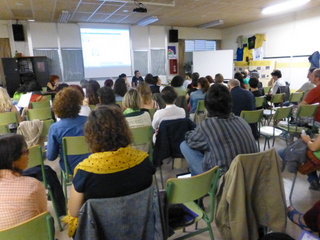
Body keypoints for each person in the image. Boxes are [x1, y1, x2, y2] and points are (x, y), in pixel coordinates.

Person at [63, 105, 156, 236]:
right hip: (140, 232)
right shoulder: (144, 161)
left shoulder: (85, 171)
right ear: (124, 130)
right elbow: (151, 199)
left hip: (100, 234)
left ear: (91, 135)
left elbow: (73, 213)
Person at [180, 83, 258, 176]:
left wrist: (190, 132)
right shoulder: (241, 121)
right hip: (250, 175)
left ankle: (201, 182)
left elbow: (191, 141)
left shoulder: (207, 126)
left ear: (207, 105)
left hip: (225, 181)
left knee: (184, 145)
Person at [0, 133, 47, 230]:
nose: (28, 154)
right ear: (12, 160)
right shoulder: (33, 185)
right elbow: (44, 217)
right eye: (25, 151)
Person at [47, 87, 90, 173]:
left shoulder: (55, 128)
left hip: (70, 168)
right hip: (91, 165)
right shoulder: (91, 121)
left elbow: (51, 156)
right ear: (78, 104)